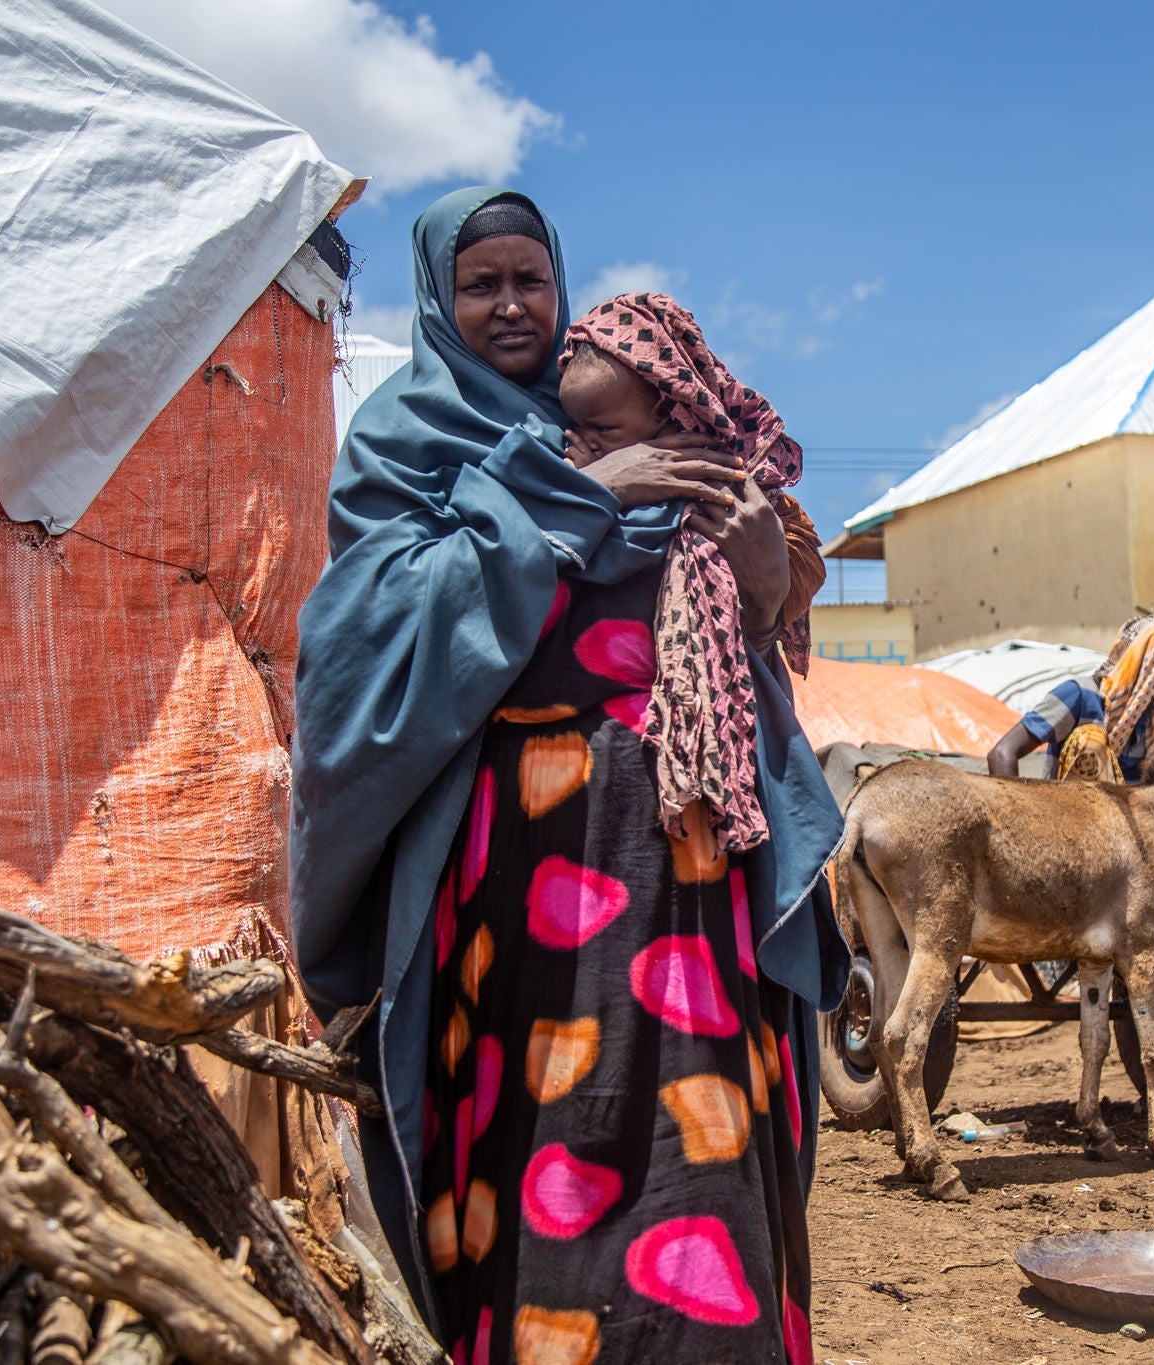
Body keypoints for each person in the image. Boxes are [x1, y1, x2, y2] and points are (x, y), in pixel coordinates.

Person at [288, 188, 848, 1365]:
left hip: (683, 861)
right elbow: (364, 645)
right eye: (479, 284)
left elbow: (737, 618)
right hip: (513, 870)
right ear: (440, 299)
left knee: (695, 1124)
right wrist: (579, 495)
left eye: (527, 281)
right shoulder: (407, 442)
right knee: (540, 1117)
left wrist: (758, 574)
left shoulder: (629, 408)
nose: (508, 306)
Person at [987, 616, 1154, 781]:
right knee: (1092, 741)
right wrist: (1015, 825)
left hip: (1118, 828)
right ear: (1152, 671)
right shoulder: (1079, 696)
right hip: (1066, 821)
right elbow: (1002, 753)